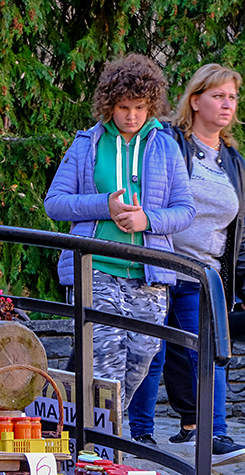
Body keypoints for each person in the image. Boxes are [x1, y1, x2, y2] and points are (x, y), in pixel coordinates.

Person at [44, 54, 194, 413]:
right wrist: (103, 206)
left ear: (152, 105)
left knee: (141, 358)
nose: (131, 115)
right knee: (105, 359)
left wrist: (149, 220)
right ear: (108, 105)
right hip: (95, 268)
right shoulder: (86, 145)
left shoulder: (167, 146)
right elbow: (55, 203)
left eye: (140, 107)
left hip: (149, 274)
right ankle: (100, 448)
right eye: (123, 107)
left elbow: (186, 211)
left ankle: (88, 426)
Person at [125, 63, 245, 465]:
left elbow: (240, 229)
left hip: (206, 274)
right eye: (218, 96)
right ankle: (141, 433)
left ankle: (214, 435)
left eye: (232, 97)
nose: (227, 104)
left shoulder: (233, 161)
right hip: (159, 265)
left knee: (209, 352)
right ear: (195, 100)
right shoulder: (168, 143)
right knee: (152, 352)